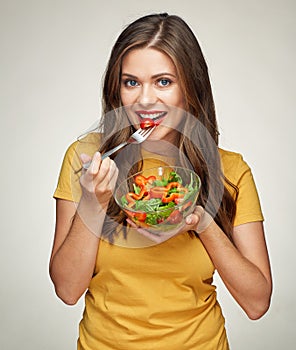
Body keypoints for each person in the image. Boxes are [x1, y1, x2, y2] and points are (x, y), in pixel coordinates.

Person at [49, 13, 272, 350]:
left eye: (163, 82)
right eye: (131, 82)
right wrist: (93, 201)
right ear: (117, 88)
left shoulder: (231, 170)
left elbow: (257, 304)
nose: (145, 100)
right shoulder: (88, 159)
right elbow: (67, 290)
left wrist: (202, 222)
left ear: (190, 88)